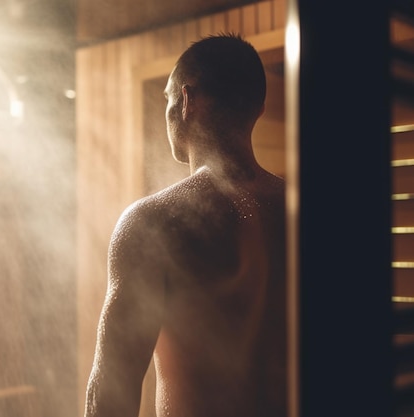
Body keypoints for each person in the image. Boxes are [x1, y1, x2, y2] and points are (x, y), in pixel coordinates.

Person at [83, 33, 286, 417]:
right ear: (258, 109)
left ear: (187, 101)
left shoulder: (154, 222)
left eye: (168, 98)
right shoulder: (301, 208)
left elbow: (113, 387)